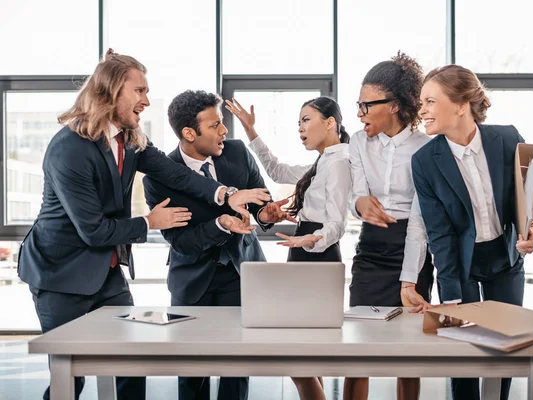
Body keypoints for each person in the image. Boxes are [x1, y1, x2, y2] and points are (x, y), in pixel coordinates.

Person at [17, 50, 270, 400]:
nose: (146, 101)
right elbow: (93, 230)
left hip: (106, 272)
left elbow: (176, 175)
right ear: (111, 92)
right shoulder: (69, 149)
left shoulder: (130, 139)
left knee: (132, 364)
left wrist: (226, 194)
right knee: (70, 378)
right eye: (139, 91)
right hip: (60, 274)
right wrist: (149, 221)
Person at [411, 64, 533, 400]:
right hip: (459, 263)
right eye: (421, 102)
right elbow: (440, 234)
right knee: (464, 358)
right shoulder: (424, 161)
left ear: (461, 104)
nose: (422, 110)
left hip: (505, 257)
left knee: (505, 352)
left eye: (430, 101)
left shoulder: (507, 138)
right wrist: (452, 298)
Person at [143, 90, 293, 400]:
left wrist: (267, 213)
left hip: (242, 274)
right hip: (192, 280)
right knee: (192, 373)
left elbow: (258, 202)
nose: (224, 130)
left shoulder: (237, 152)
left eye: (222, 122)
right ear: (189, 133)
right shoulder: (159, 178)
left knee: (237, 368)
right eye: (215, 125)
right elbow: (181, 242)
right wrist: (220, 224)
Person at [227, 96, 352, 400]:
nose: (300, 128)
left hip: (316, 254)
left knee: (298, 355)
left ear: (330, 122)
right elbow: (278, 171)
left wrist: (310, 240)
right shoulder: (324, 160)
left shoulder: (339, 161)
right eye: (298, 123)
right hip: (303, 249)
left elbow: (336, 224)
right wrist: (251, 131)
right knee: (306, 353)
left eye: (306, 120)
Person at [345, 51, 435, 400]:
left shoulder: (427, 148)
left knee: (408, 352)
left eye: (367, 105)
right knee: (358, 350)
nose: (359, 113)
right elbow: (357, 194)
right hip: (370, 249)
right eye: (358, 104)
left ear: (395, 105)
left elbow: (420, 222)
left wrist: (409, 277)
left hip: (412, 249)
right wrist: (359, 204)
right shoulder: (357, 141)